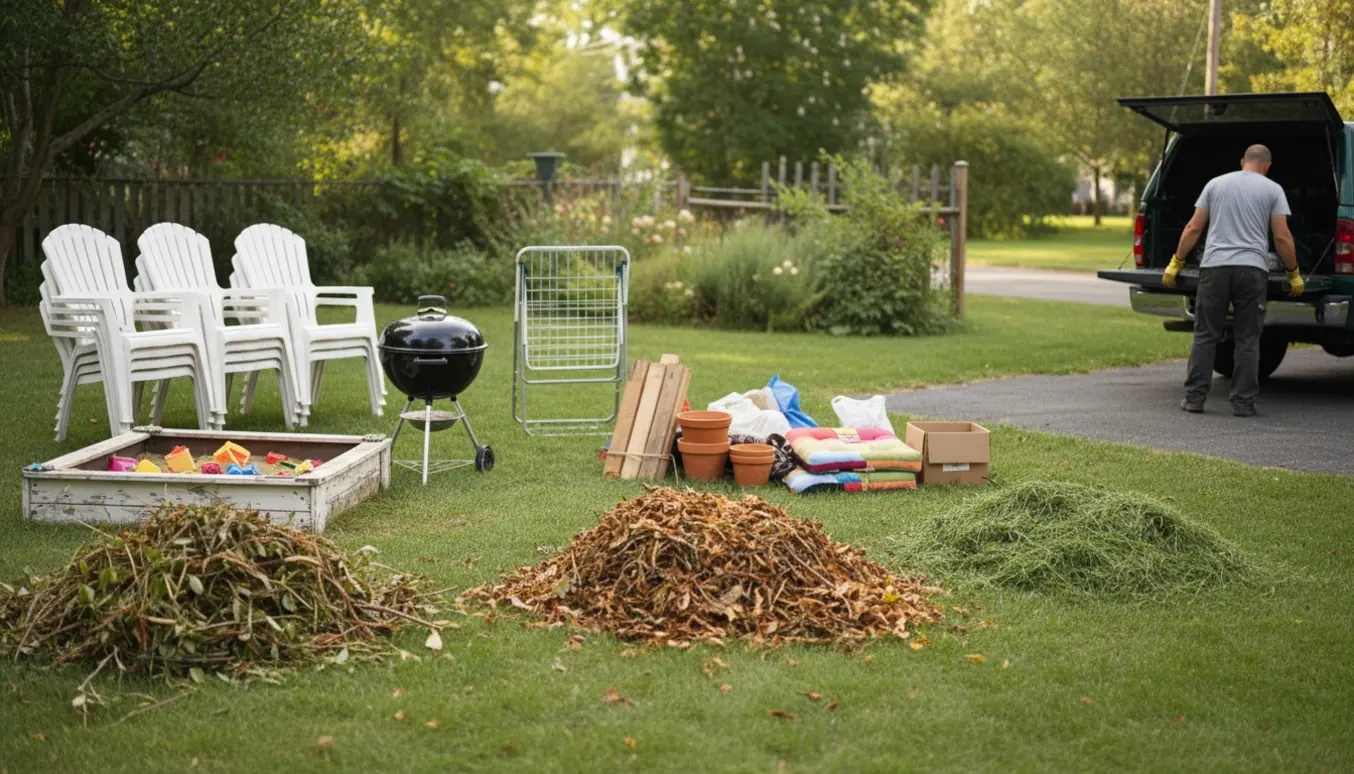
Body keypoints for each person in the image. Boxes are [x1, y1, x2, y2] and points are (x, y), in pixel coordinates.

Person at [1163, 144, 1303, 417]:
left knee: (1205, 335)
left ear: (1242, 162)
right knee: (1248, 338)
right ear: (1267, 166)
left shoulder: (1215, 184)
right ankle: (1243, 403)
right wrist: (1293, 272)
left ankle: (1194, 399)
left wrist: (1176, 262)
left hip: (1214, 269)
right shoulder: (1273, 189)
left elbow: (1193, 227)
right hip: (1252, 270)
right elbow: (1282, 237)